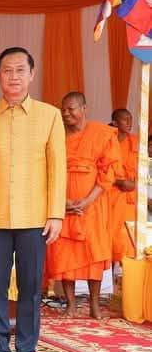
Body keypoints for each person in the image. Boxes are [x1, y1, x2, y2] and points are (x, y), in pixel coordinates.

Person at [0, 47, 66, 352]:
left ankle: (26, 350)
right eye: (7, 70)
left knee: (31, 287)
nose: (14, 76)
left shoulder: (50, 116)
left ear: (31, 74)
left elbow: (57, 169)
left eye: (20, 70)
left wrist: (55, 214)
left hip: (35, 217)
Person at [46, 92, 118, 319]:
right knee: (65, 255)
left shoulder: (102, 134)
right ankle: (71, 305)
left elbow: (108, 173)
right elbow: (48, 171)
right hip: (64, 207)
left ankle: (95, 306)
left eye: (71, 109)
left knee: (93, 254)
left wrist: (87, 200)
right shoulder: (57, 136)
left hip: (93, 207)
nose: (66, 113)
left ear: (84, 108)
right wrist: (61, 201)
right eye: (63, 110)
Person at [108, 108, 139, 262]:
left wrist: (134, 183)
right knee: (112, 234)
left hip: (131, 197)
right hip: (111, 193)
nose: (129, 122)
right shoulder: (107, 141)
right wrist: (118, 182)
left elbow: (143, 168)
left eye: (130, 119)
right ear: (114, 122)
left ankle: (127, 270)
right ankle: (112, 268)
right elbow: (99, 168)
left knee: (129, 235)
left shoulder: (136, 142)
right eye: (125, 119)